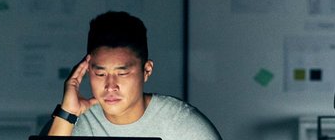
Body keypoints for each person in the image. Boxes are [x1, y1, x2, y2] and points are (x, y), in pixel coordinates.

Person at [48, 11, 220, 139]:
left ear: (146, 71)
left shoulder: (184, 127)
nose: (110, 86)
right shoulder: (69, 121)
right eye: (100, 73)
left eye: (122, 73)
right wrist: (67, 113)